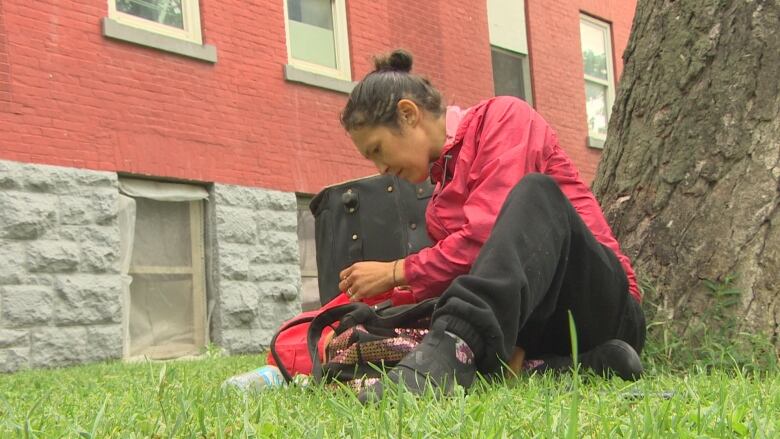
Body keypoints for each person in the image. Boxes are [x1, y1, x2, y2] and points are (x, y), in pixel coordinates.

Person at [336, 49, 646, 402]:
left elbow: (485, 236)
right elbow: (484, 275)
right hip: (541, 324)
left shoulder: (504, 118)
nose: (381, 168)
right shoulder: (438, 205)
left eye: (377, 149)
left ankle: (455, 347)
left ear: (408, 115)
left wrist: (397, 271)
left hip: (602, 304)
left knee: (534, 190)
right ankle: (580, 364)